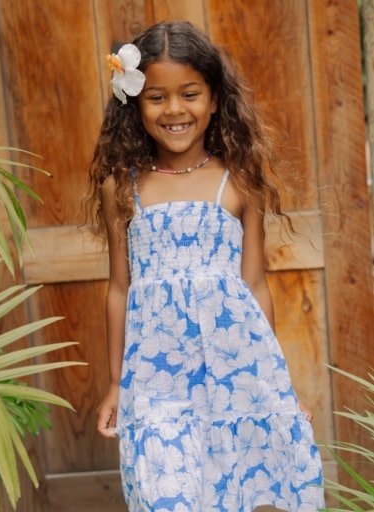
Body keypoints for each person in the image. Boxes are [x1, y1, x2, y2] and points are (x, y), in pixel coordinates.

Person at [88, 20, 324, 512]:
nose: (174, 109)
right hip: (154, 382)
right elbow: (119, 288)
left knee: (229, 493)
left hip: (232, 376)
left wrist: (274, 384)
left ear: (214, 99)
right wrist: (115, 383)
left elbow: (254, 285)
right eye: (157, 97)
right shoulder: (121, 187)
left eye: (190, 94)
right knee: (164, 495)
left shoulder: (238, 181)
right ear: (135, 103)